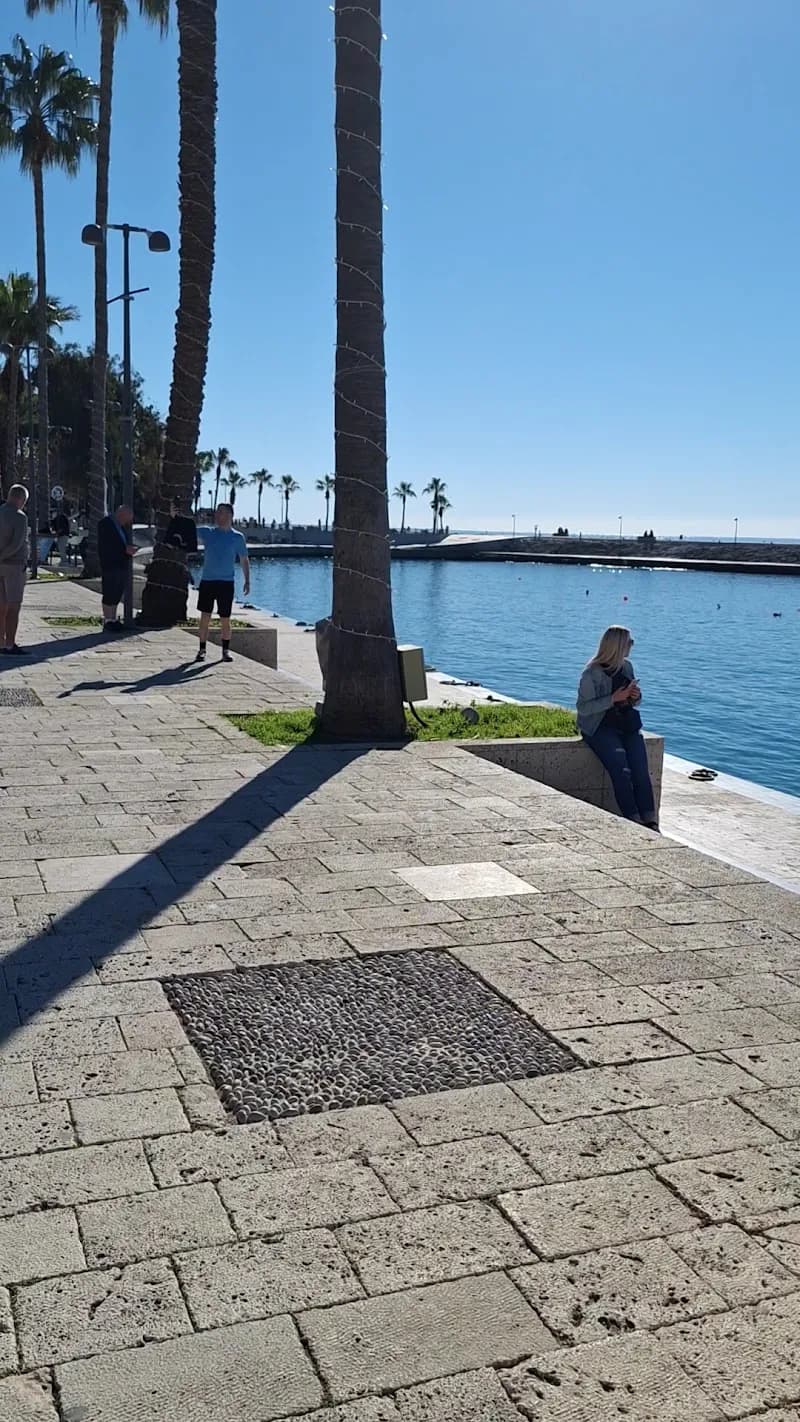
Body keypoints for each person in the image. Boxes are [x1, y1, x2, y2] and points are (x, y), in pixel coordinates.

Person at [576, 625, 658, 829]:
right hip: (599, 726)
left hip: (625, 723)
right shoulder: (591, 674)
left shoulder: (627, 667)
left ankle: (650, 819)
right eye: (629, 642)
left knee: (640, 769)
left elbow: (631, 701)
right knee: (621, 769)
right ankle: (632, 818)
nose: (632, 646)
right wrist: (613, 699)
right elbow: (583, 708)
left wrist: (635, 697)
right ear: (618, 645)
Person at [196, 502, 250, 662]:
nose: (219, 516)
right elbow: (185, 527)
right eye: (217, 513)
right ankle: (202, 649)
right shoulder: (207, 532)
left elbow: (244, 559)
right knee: (205, 616)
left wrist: (248, 580)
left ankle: (225, 651)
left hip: (226, 583)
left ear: (230, 516)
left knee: (225, 618)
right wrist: (174, 515)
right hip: (207, 581)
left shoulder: (237, 537)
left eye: (223, 513)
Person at [0, 484, 30, 655]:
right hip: (13, 565)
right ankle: (10, 644)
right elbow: (17, 543)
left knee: (1, 606)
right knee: (13, 607)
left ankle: (1, 643)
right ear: (20, 499)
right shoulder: (20, 517)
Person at [97, 505, 135, 632]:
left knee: (117, 592)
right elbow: (106, 545)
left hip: (121, 564)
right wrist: (124, 550)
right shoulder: (105, 524)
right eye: (126, 519)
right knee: (109, 591)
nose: (127, 522)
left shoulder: (121, 527)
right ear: (121, 514)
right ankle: (108, 620)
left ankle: (113, 619)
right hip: (110, 564)